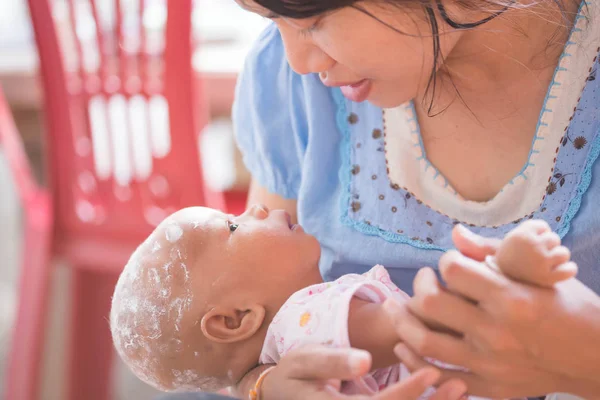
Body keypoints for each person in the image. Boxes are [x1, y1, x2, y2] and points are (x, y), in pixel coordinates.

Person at [160, 0, 600, 398]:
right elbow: (241, 344)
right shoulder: (287, 81)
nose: (297, 61)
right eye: (271, 19)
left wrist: (584, 357)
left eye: (312, 21)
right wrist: (261, 387)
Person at [114, 206, 571, 399]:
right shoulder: (304, 325)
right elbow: (409, 327)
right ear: (235, 319)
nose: (252, 209)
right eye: (232, 226)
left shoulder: (289, 357)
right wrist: (499, 274)